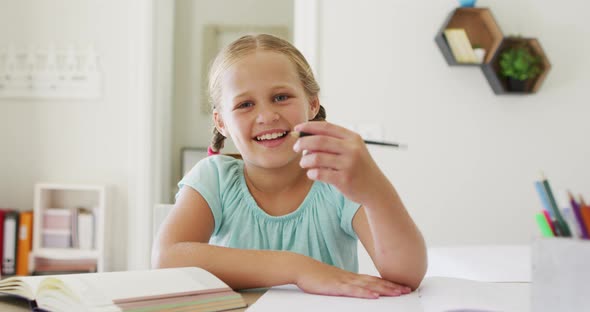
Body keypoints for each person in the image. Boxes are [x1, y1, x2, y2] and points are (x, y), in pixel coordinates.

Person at [152, 34, 427, 299]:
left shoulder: (337, 181)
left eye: (281, 97)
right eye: (245, 104)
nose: (267, 116)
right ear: (221, 122)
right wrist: (296, 268)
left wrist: (374, 187)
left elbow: (406, 276)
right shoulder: (213, 178)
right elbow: (167, 258)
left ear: (312, 103)